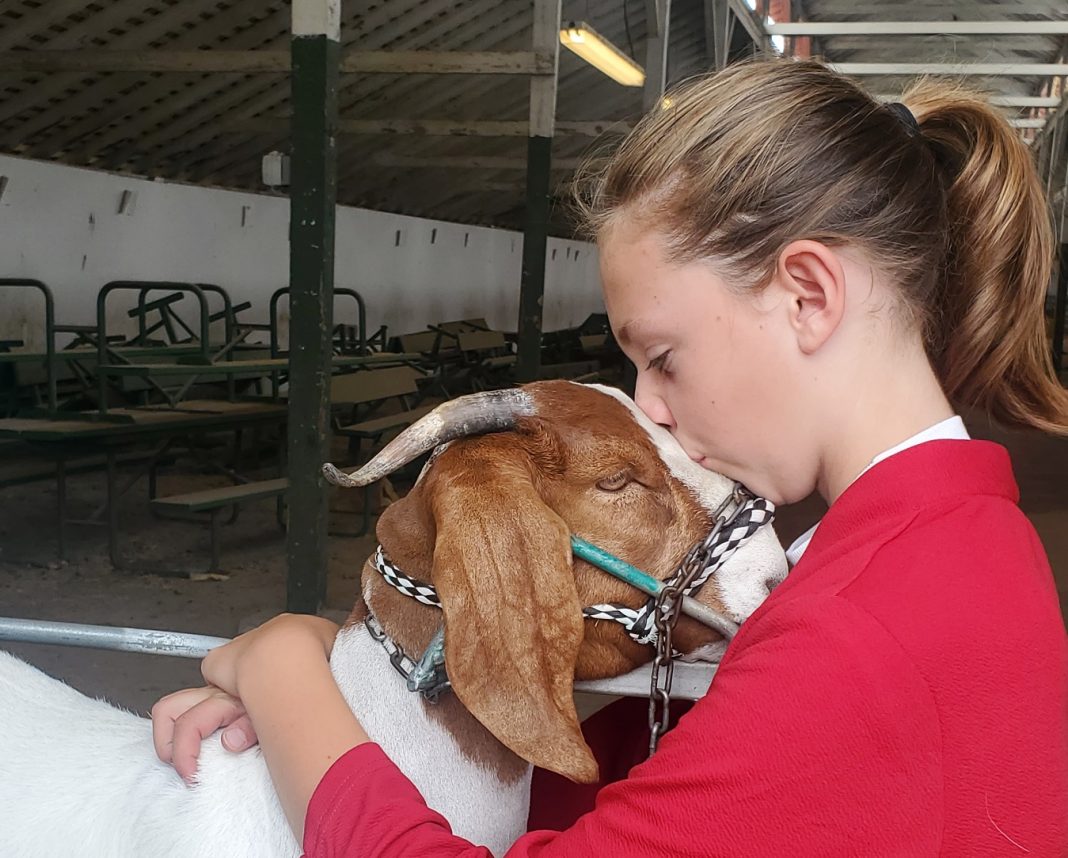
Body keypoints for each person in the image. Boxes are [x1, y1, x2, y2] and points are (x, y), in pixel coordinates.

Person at [152, 59, 1068, 856]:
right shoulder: (962, 541)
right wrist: (364, 676)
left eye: (662, 358)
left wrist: (284, 679)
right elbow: (651, 795)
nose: (656, 410)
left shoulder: (860, 630)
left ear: (806, 295)